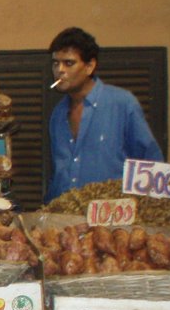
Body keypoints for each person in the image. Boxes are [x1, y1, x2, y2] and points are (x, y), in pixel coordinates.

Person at [46, 27, 163, 202]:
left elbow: (151, 163)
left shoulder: (122, 103)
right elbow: (57, 172)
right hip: (67, 219)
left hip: (113, 220)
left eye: (69, 63)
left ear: (89, 66)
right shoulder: (58, 114)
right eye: (56, 63)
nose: (60, 70)